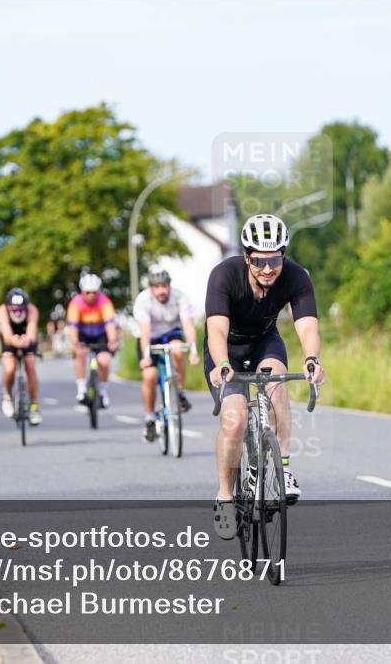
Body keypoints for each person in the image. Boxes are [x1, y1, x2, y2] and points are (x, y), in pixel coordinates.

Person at [203, 214, 326, 539]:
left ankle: (283, 471)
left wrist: (312, 359)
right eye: (259, 260)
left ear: (283, 254)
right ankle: (225, 496)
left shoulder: (297, 277)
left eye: (275, 259)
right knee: (234, 420)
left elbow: (307, 324)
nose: (268, 268)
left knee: (277, 385)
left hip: (264, 344)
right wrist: (221, 363)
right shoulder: (224, 275)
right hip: (225, 350)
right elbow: (216, 328)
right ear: (246, 256)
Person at [133, 264, 200, 442]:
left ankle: (180, 392)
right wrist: (146, 357)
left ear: (169, 285)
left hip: (172, 332)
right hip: (150, 338)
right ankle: (149, 418)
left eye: (164, 286)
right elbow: (145, 331)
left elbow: (188, 324)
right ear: (151, 288)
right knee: (149, 375)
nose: (161, 290)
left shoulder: (180, 298)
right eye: (157, 287)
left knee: (178, 349)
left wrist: (193, 350)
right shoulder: (143, 300)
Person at [66, 273, 118, 407]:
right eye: (87, 293)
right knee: (79, 353)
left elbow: (110, 324)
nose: (91, 296)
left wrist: (112, 340)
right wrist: (74, 342)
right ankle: (81, 388)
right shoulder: (75, 303)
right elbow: (73, 327)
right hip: (83, 333)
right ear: (82, 292)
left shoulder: (104, 302)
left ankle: (103, 392)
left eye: (94, 293)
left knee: (104, 361)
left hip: (100, 333)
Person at [0, 287, 42, 425]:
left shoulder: (32, 310)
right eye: (14, 309)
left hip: (27, 337)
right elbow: (6, 333)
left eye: (20, 309)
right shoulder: (2, 311)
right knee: (10, 367)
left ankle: (34, 408)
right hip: (10, 337)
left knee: (30, 364)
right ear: (8, 306)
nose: (17, 313)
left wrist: (27, 340)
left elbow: (32, 330)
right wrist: (14, 341)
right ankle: (7, 397)